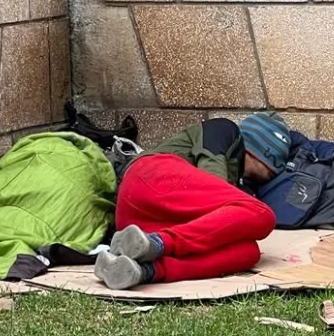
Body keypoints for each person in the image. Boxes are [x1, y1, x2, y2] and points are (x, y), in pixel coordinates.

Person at [94, 112, 291, 290]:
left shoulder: (241, 182)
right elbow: (213, 177)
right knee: (262, 214)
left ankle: (145, 270)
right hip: (148, 175)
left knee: (248, 252)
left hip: (138, 223)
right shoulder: (225, 130)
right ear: (267, 152)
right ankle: (159, 243)